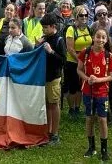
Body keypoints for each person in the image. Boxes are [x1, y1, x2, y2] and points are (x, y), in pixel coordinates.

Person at [78, 27, 112, 161]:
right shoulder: (85, 52)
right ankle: (91, 147)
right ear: (93, 37)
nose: (100, 39)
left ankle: (104, 149)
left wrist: (98, 79)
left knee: (102, 119)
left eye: (103, 37)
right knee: (89, 118)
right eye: (98, 37)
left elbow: (110, 76)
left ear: (106, 40)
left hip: (102, 92)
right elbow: (79, 70)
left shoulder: (108, 56)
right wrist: (87, 78)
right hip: (88, 91)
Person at [38, 14, 66, 145]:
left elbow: (63, 61)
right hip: (44, 76)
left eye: (45, 27)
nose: (43, 29)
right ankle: (48, 131)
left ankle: (55, 134)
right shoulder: (44, 38)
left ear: (53, 26)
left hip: (54, 77)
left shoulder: (59, 40)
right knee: (47, 104)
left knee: (54, 105)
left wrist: (51, 52)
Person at [64, 5, 92, 118]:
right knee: (72, 87)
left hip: (85, 61)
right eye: (81, 15)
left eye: (86, 15)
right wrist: (80, 61)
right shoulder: (71, 29)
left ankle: (77, 108)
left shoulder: (88, 29)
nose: (84, 17)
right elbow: (70, 49)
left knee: (81, 86)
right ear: (76, 16)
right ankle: (71, 109)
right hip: (72, 61)